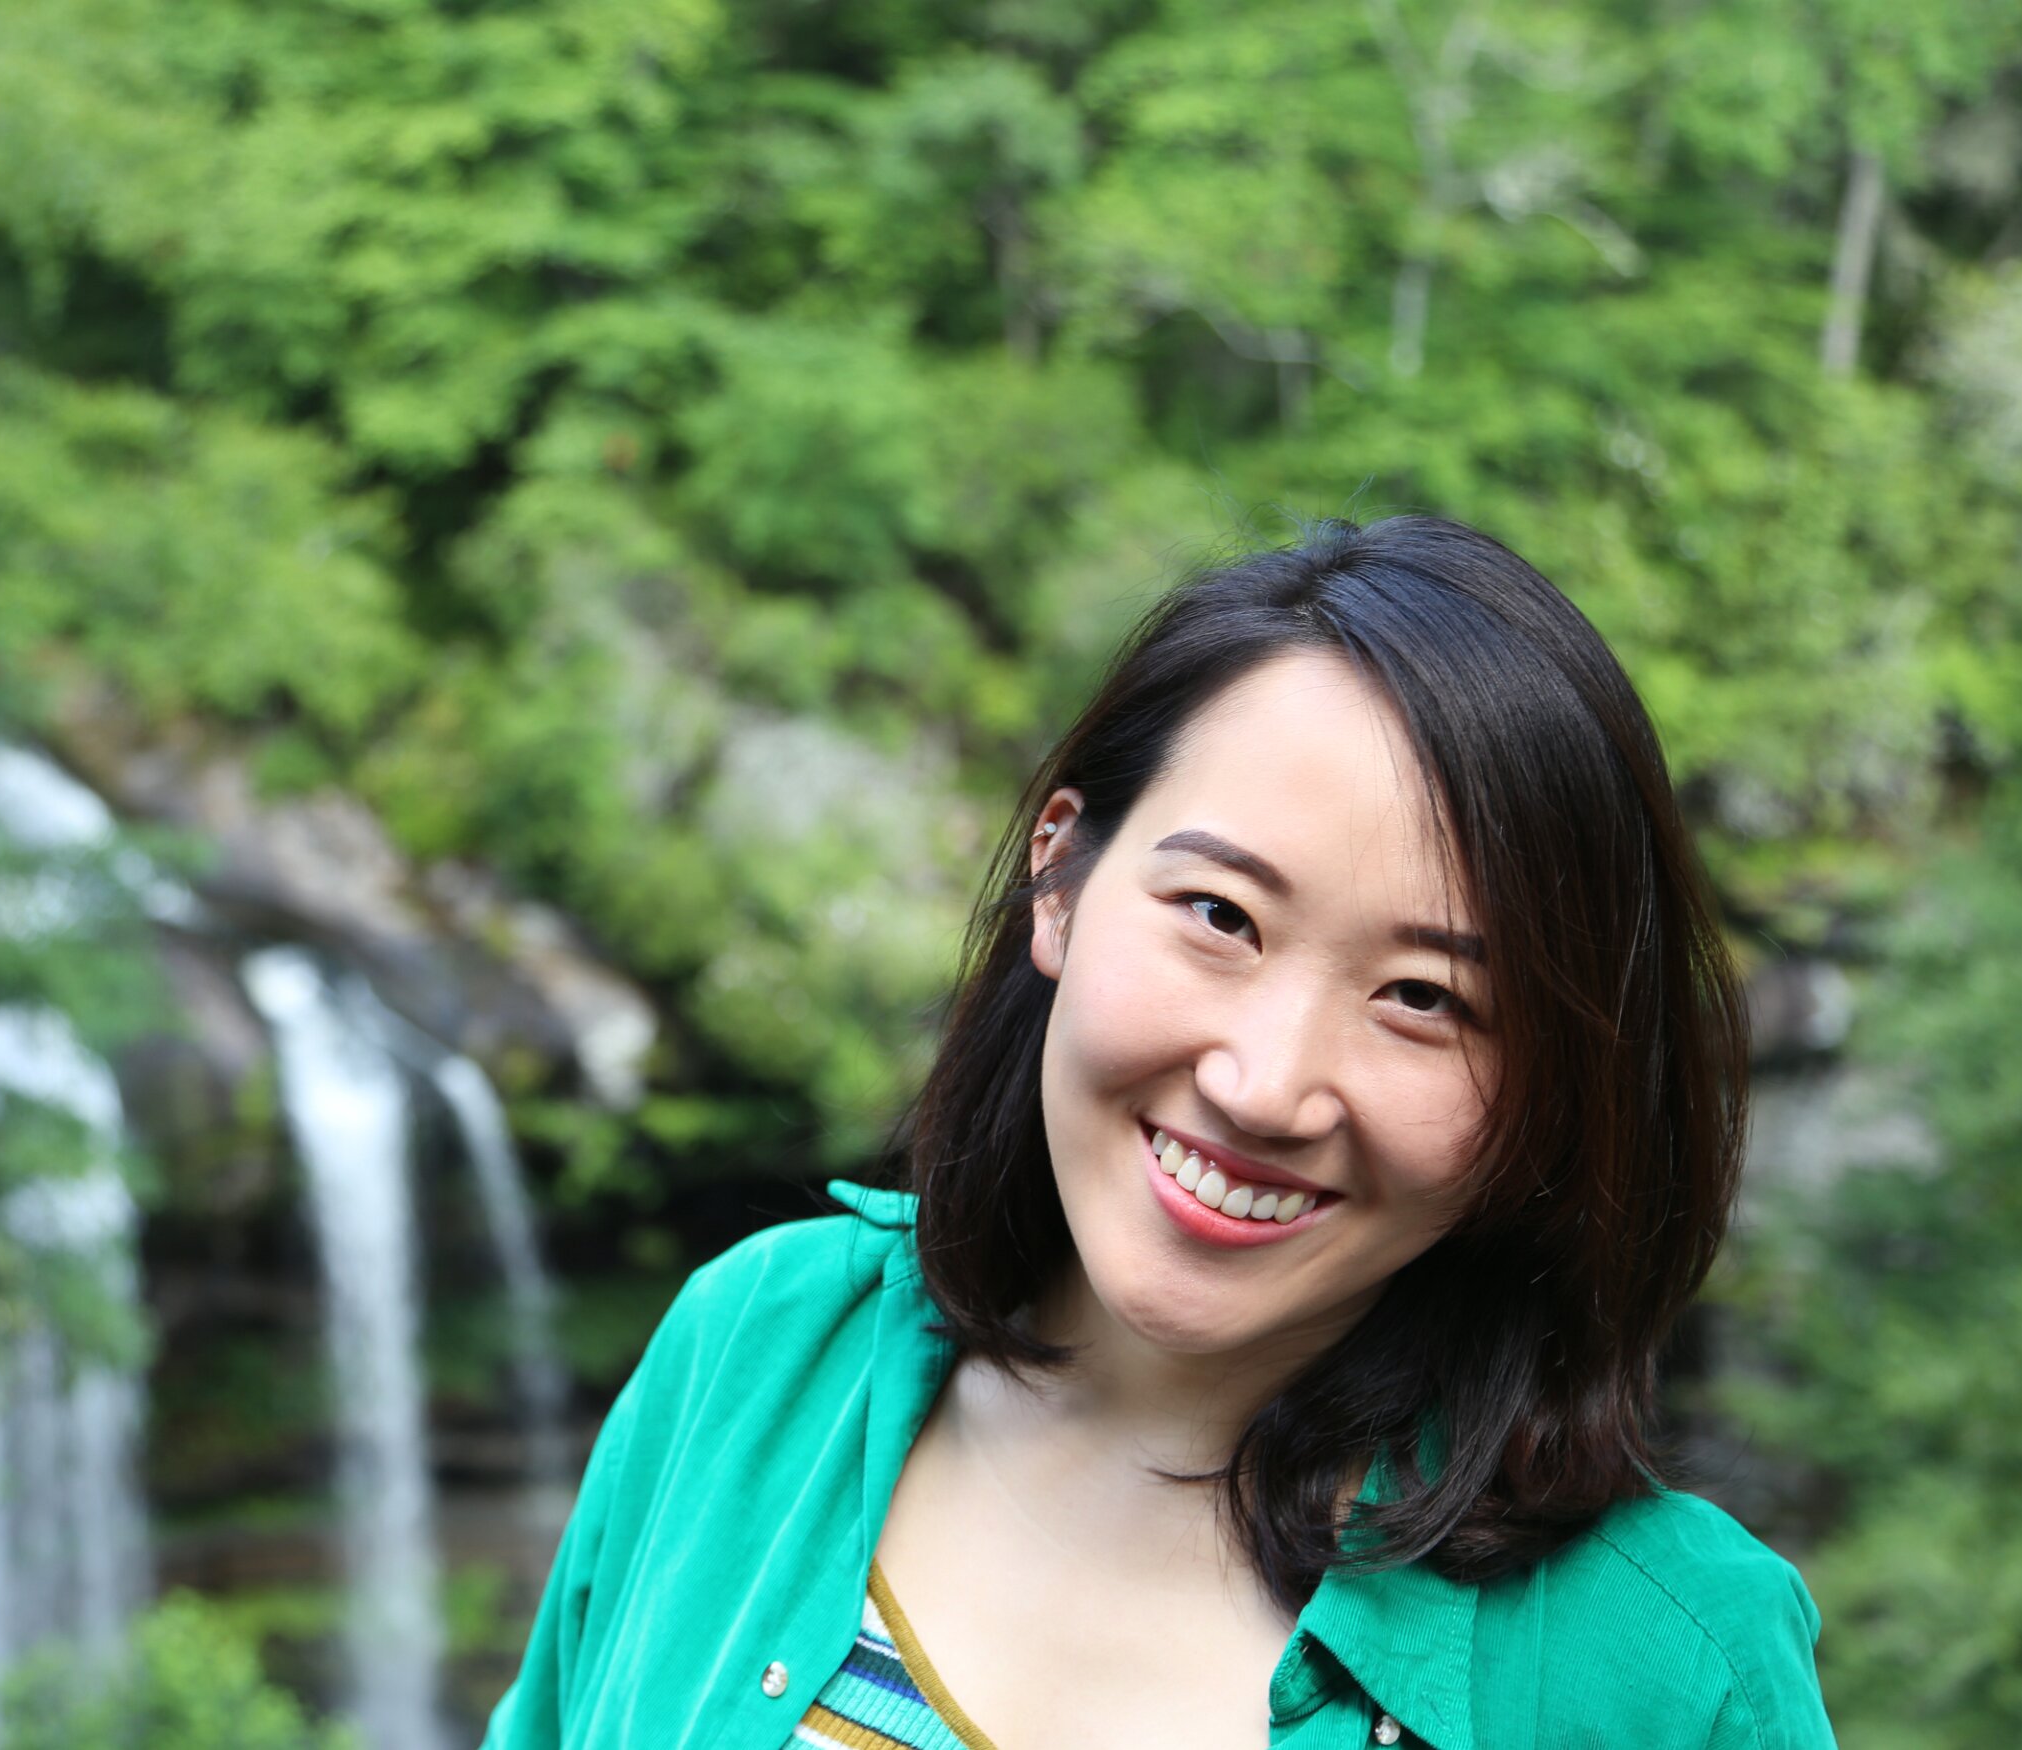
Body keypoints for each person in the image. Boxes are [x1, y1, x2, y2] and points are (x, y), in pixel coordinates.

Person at [480, 516, 1834, 1749]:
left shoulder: (1670, 1668)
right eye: (1220, 916)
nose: (1265, 1087)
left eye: (1423, 998)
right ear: (1059, 876)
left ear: (1547, 1092)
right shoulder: (762, 1347)